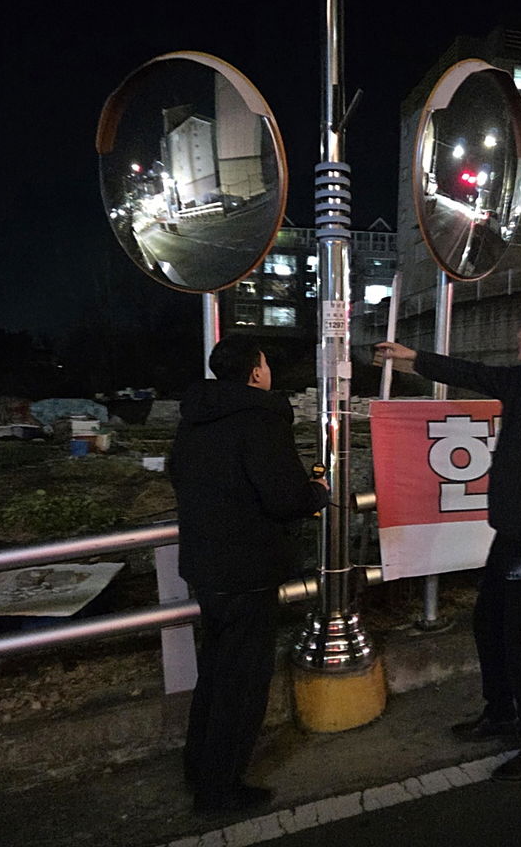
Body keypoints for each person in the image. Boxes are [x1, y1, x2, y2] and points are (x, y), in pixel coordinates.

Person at [377, 293, 521, 781]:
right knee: (488, 624)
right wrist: (412, 357)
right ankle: (501, 713)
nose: (517, 333)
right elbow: (474, 373)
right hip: (510, 535)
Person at [169, 336, 329, 813]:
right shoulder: (261, 418)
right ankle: (219, 787)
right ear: (256, 372)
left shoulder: (195, 417)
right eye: (265, 363)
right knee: (242, 683)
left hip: (205, 566)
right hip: (249, 569)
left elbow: (178, 473)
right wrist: (317, 492)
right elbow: (284, 497)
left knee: (216, 671)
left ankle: (198, 766)